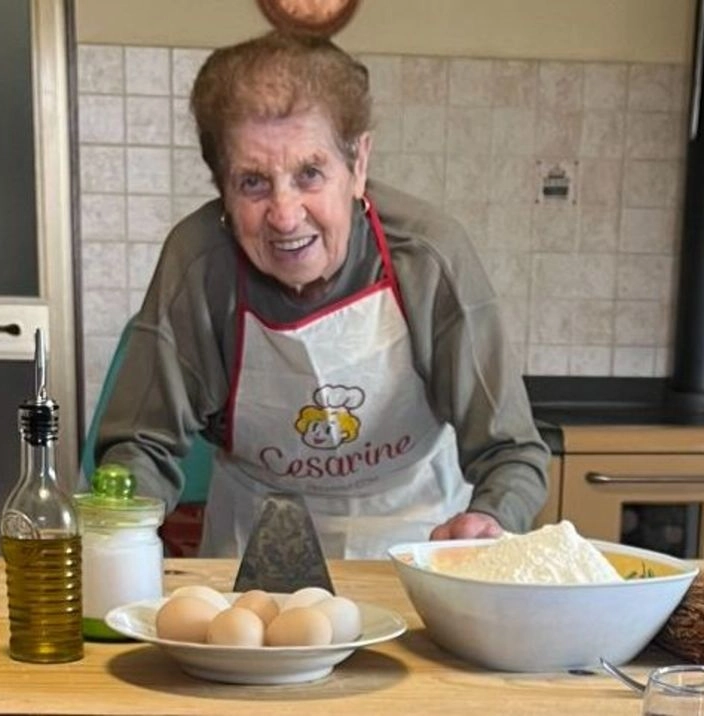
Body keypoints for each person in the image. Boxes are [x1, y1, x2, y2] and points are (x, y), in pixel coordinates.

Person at [91, 31, 549, 559]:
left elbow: (511, 450)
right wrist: (117, 533)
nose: (285, 216)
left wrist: (490, 519)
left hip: (418, 538)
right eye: (253, 183)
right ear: (220, 186)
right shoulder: (199, 265)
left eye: (309, 174)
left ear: (358, 166)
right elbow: (142, 445)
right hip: (250, 543)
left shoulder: (427, 257)